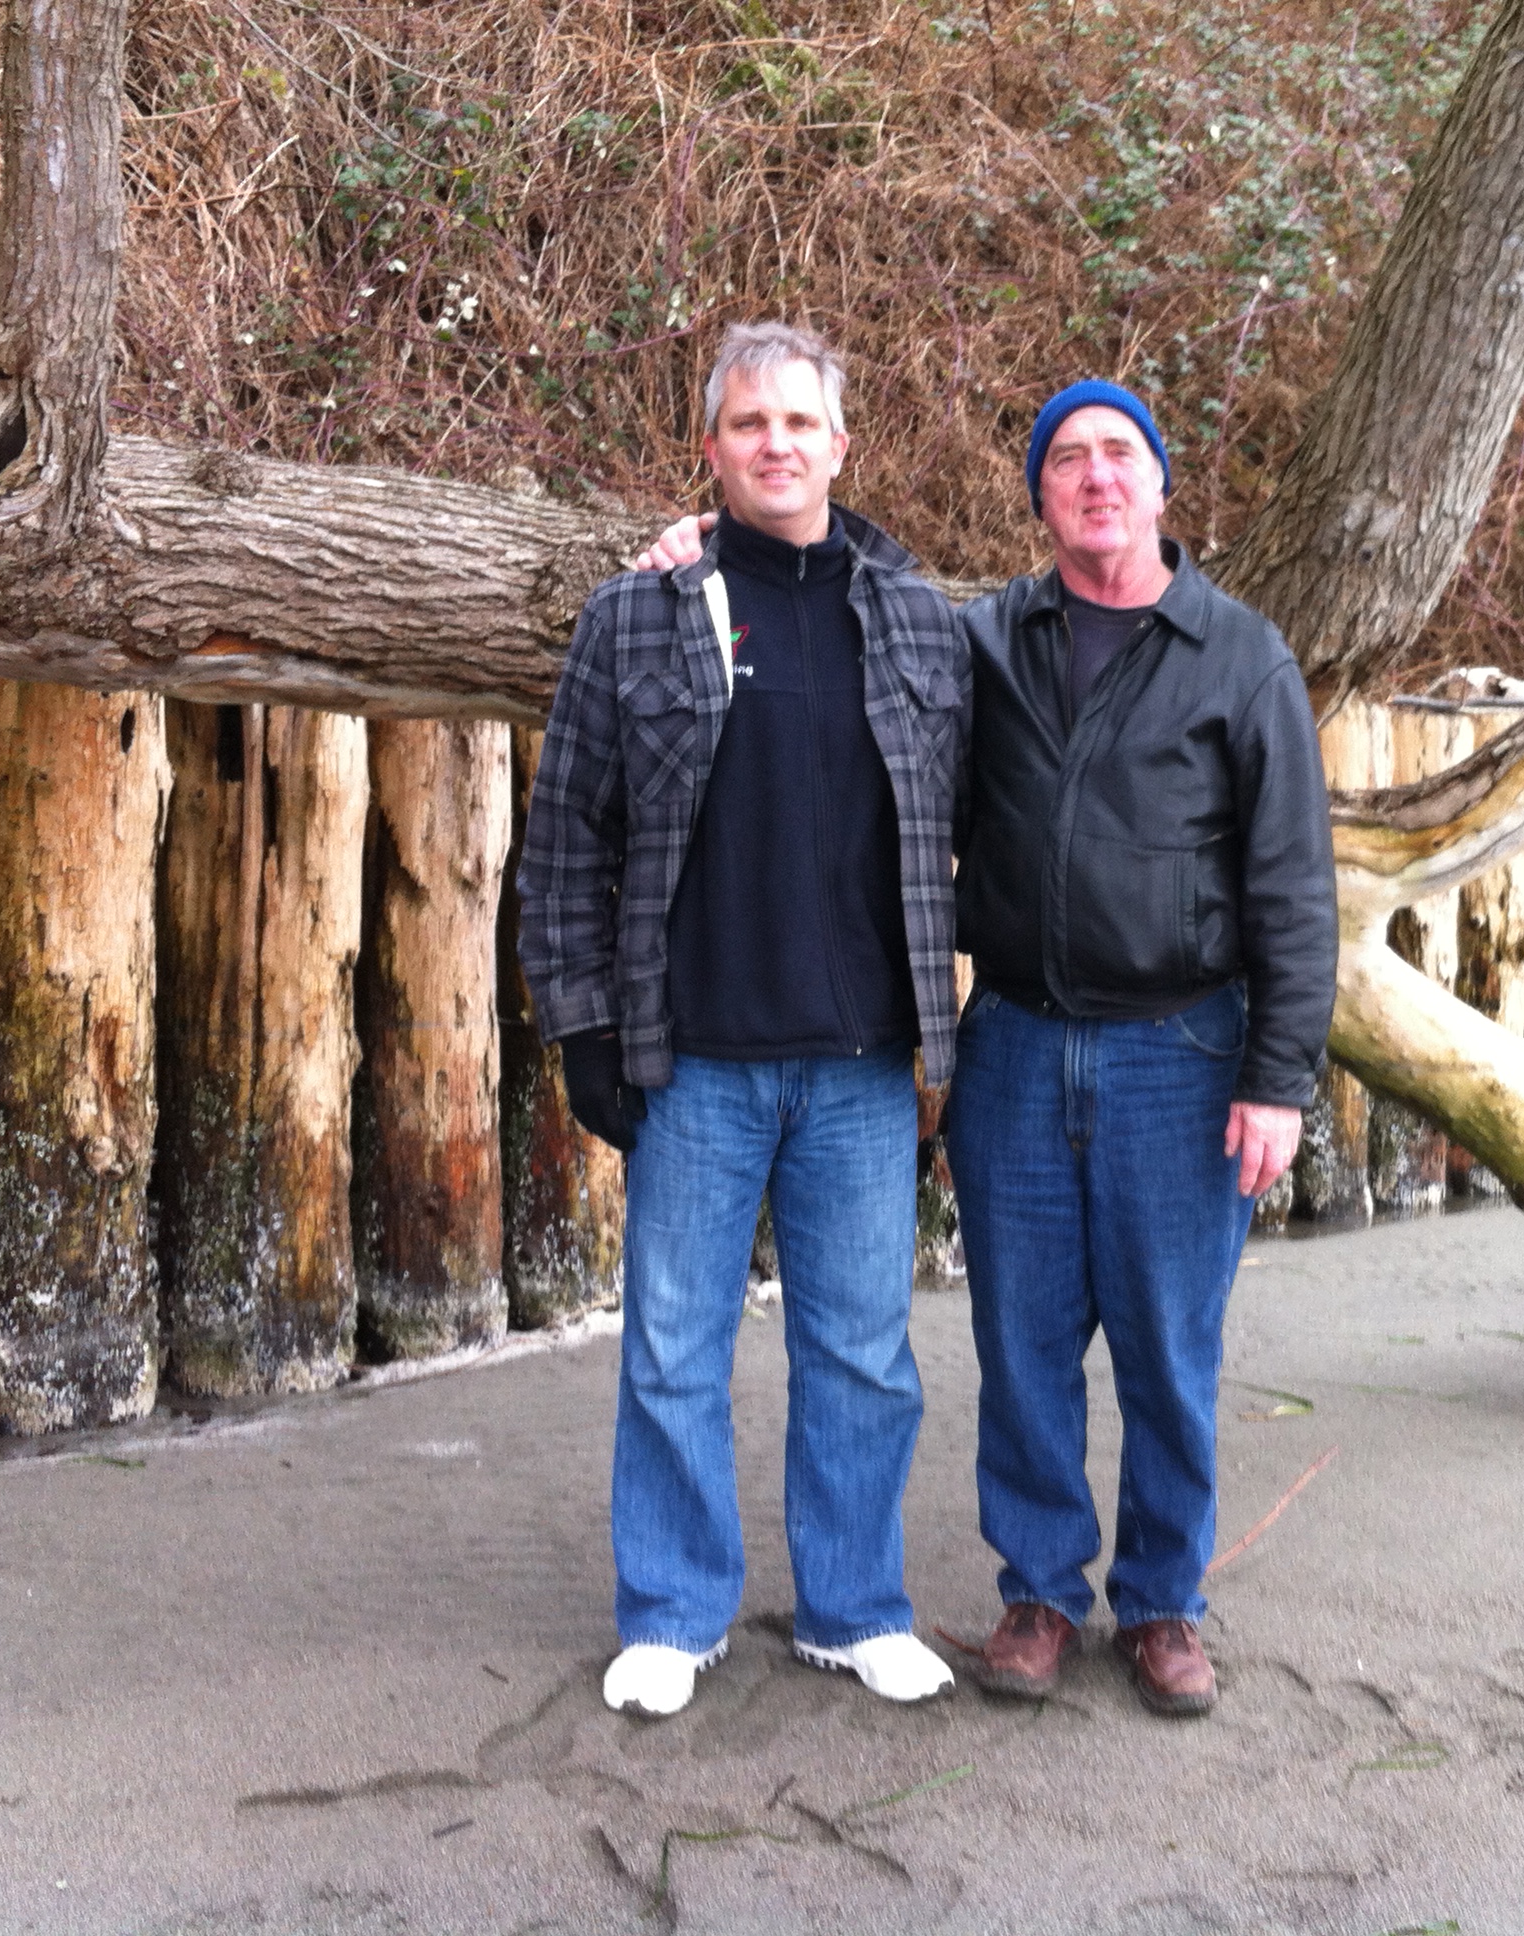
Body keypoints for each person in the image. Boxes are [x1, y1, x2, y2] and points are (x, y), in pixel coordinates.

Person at [637, 378, 1338, 1718]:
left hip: (1181, 1054)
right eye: (1067, 459)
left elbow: (1294, 886)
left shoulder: (1240, 657)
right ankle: (1039, 1592)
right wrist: (702, 548)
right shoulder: (982, 644)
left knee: (1169, 1349)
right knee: (1022, 1343)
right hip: (1012, 1044)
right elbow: (839, 637)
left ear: (1161, 482)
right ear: (1040, 497)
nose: (1096, 477)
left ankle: (1164, 1604)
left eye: (1120, 453)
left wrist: (1278, 1078)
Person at [518, 321, 970, 1719]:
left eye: (800, 422)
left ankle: (854, 1607)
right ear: (710, 447)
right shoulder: (637, 614)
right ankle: (672, 1610)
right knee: (672, 1349)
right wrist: (583, 1031)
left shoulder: (919, 620)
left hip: (862, 1066)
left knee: (864, 1355)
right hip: (695, 1058)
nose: (777, 443)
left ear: (843, 445)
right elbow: (563, 843)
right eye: (749, 422)